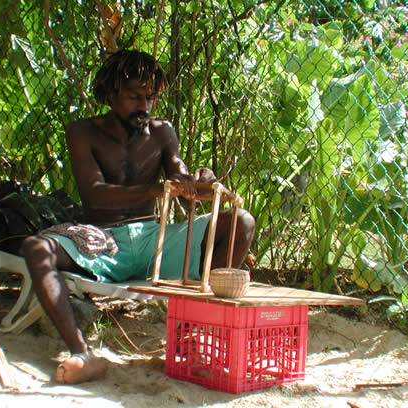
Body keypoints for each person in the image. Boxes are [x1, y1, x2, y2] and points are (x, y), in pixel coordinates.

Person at [21, 50, 255, 385]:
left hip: (155, 243)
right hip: (103, 241)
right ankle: (81, 352)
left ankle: (189, 340)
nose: (144, 106)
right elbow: (94, 193)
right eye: (134, 96)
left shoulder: (163, 132)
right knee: (36, 248)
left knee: (241, 220)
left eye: (150, 97)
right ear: (111, 93)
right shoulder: (82, 132)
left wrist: (200, 183)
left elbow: (182, 184)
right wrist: (156, 191)